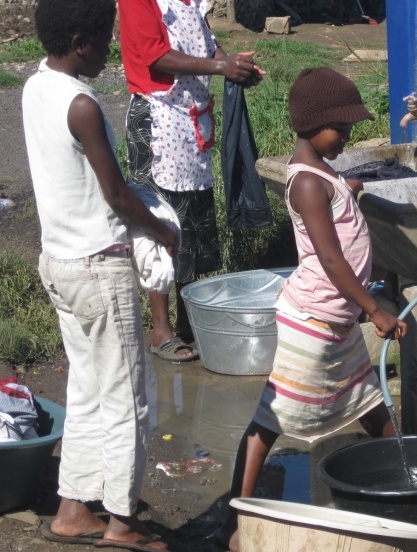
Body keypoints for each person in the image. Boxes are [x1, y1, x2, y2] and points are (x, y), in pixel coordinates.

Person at [217, 67, 408, 551]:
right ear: (311, 123)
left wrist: (352, 188)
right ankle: (238, 520)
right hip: (314, 323)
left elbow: (335, 199)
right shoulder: (306, 183)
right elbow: (329, 258)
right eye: (339, 130)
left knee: (368, 403)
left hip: (334, 322)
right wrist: (375, 309)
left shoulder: (323, 172)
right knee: (269, 423)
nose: (346, 137)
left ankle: (408, 476)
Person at [23, 1, 177, 550]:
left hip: (59, 263)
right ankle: (122, 523)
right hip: (97, 266)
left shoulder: (34, 87)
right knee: (127, 396)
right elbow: (114, 193)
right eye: (106, 39)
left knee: (88, 389)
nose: (111, 49)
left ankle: (72, 511)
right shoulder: (82, 105)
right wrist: (162, 231)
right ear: (81, 39)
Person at [118, 0, 265, 362]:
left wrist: (235, 66)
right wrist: (221, 66)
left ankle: (189, 320)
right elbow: (156, 57)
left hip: (188, 118)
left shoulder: (189, 1)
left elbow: (205, 41)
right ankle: (161, 330)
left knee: (194, 220)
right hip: (158, 115)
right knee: (161, 222)